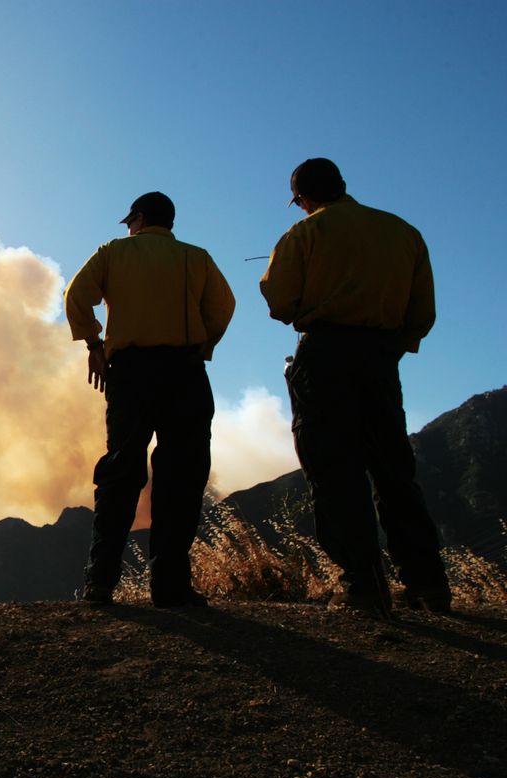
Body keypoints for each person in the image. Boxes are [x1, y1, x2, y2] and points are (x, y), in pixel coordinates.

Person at [261, 158, 451, 618]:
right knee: (394, 470)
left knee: (333, 471)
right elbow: (422, 311)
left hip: (324, 357)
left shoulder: (302, 235)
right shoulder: (403, 233)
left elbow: (279, 301)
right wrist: (392, 348)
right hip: (381, 361)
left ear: (303, 199)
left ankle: (363, 585)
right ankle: (428, 583)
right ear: (343, 186)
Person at [64, 192, 235, 608]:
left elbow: (75, 295)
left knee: (121, 471)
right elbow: (224, 307)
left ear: (139, 219)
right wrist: (202, 347)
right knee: (182, 476)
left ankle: (100, 583)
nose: (127, 228)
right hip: (186, 373)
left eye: (129, 221)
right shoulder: (197, 258)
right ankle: (170, 586)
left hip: (131, 375)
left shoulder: (114, 252)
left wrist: (94, 343)